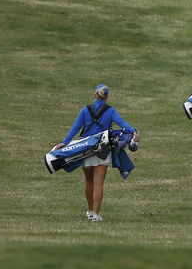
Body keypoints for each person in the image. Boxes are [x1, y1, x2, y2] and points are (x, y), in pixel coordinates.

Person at [56, 84, 137, 222]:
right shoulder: (110, 111)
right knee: (98, 183)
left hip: (85, 149)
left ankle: (90, 210)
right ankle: (96, 215)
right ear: (107, 97)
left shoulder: (85, 110)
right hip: (102, 149)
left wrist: (65, 142)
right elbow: (121, 123)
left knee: (89, 181)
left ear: (95, 95)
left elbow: (75, 128)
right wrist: (133, 131)